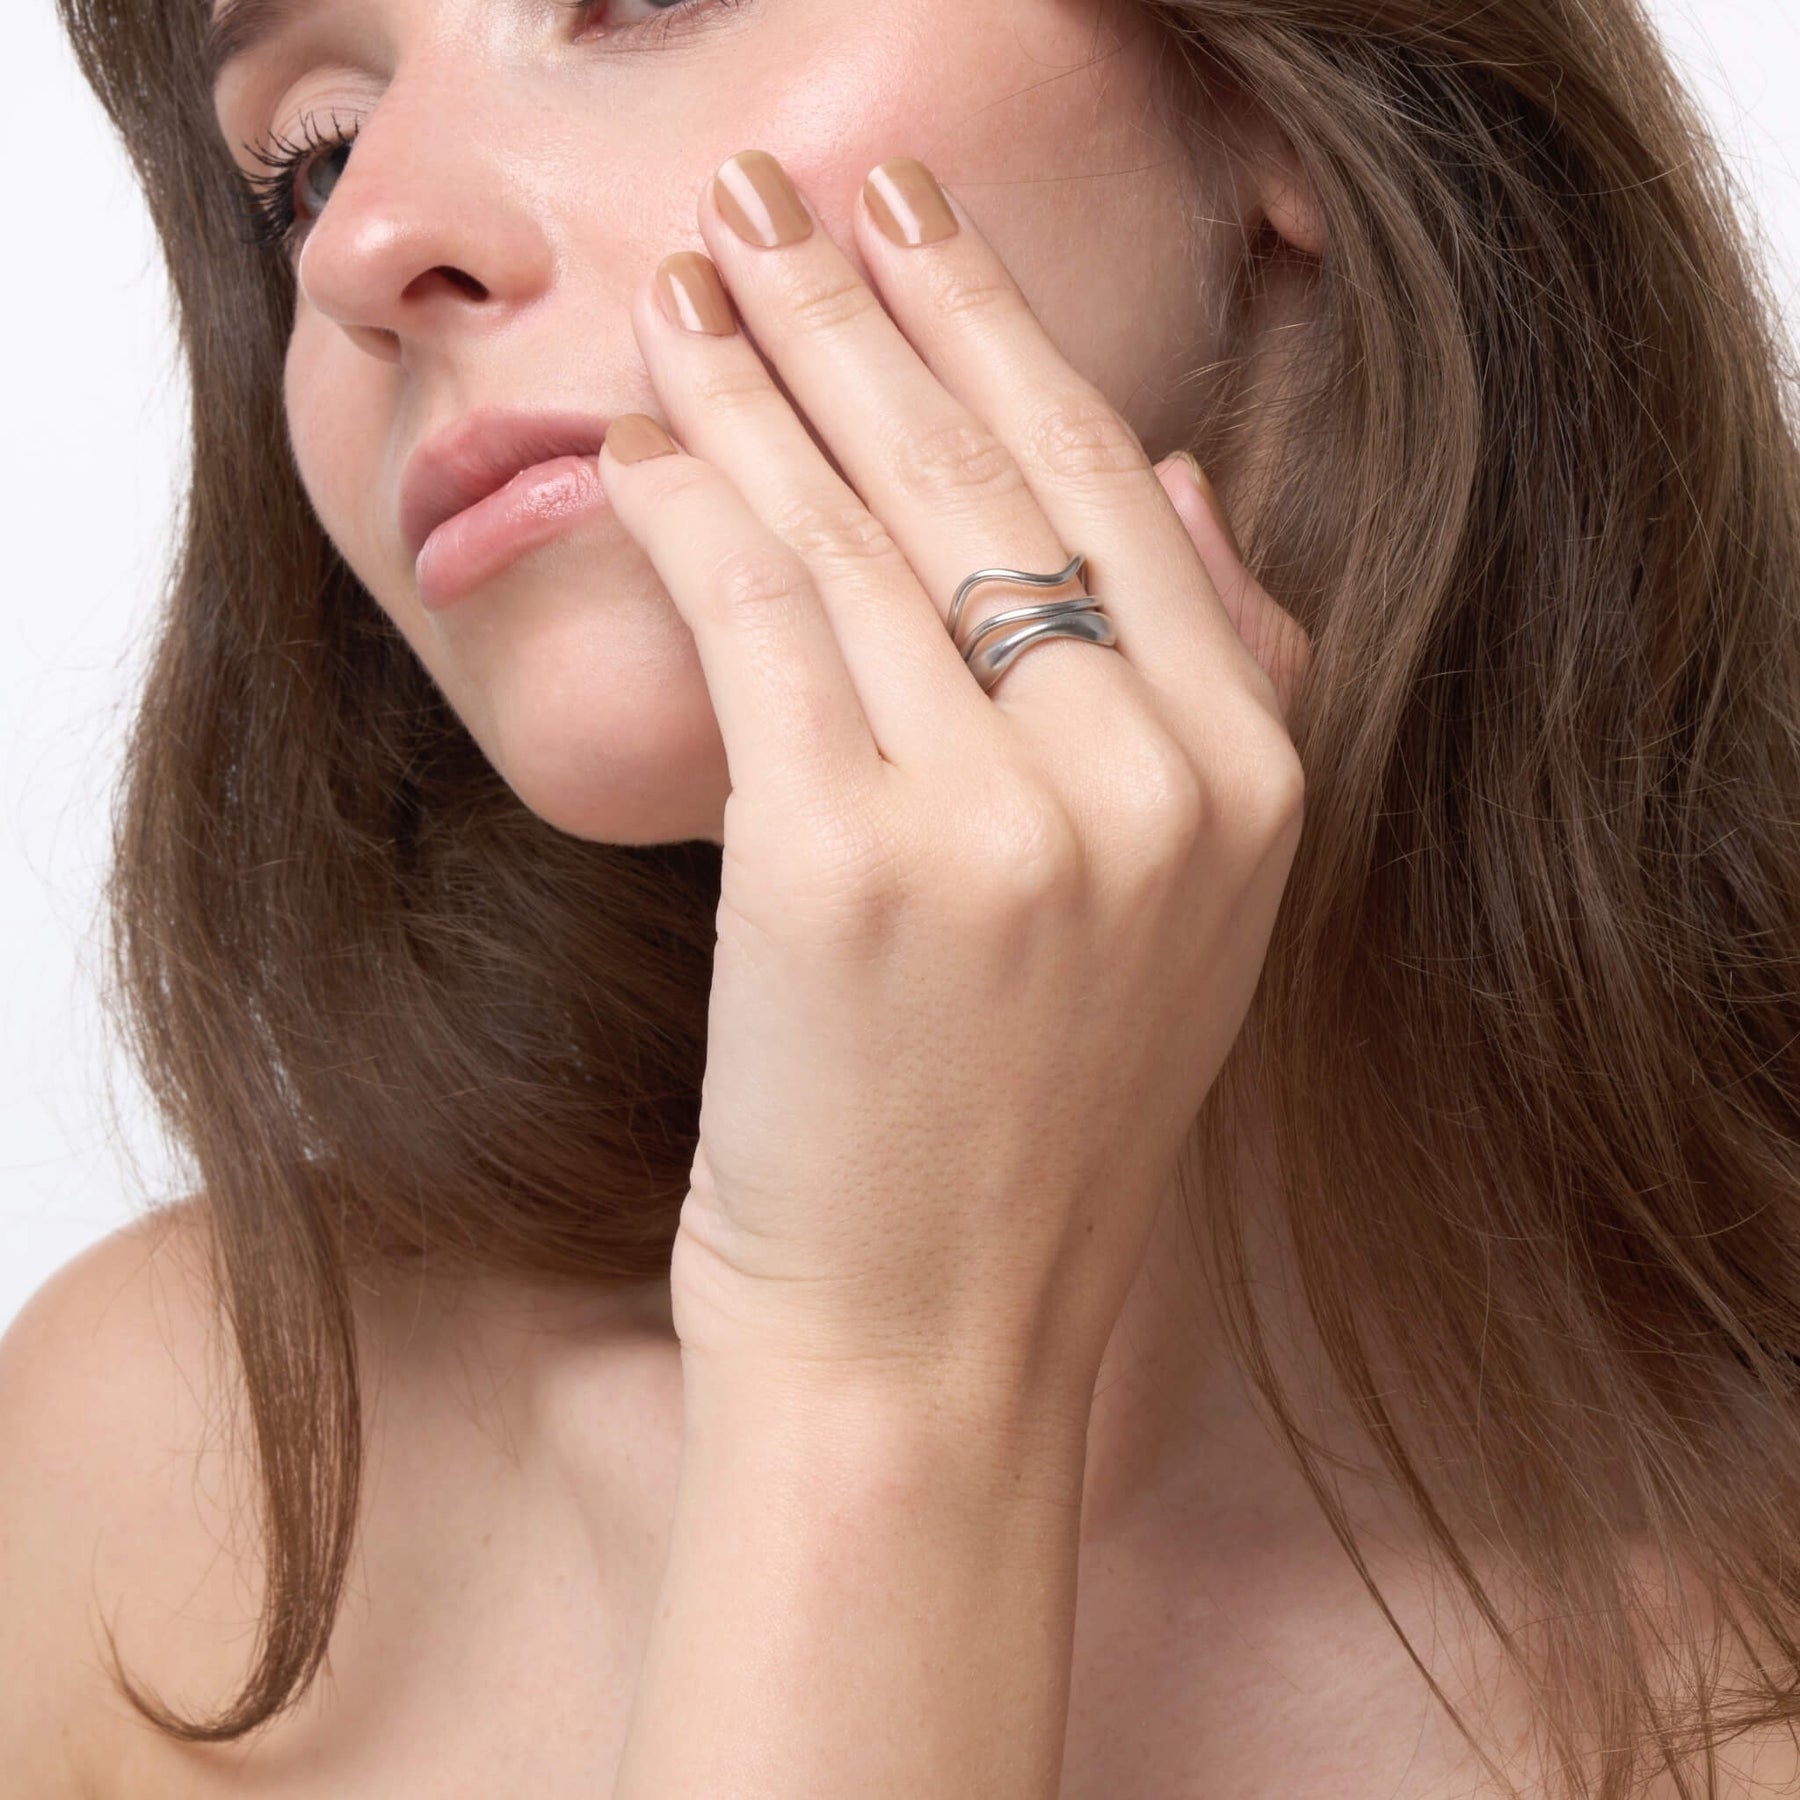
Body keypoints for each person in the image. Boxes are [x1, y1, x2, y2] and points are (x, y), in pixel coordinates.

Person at [4, 0, 1797, 1792]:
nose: (368, 245)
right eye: (310, 161)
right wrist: (870, 1379)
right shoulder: (177, 1495)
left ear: (1269, 87)